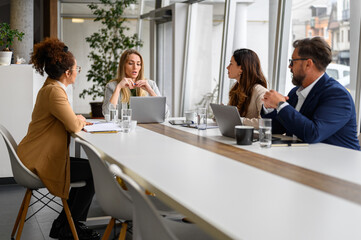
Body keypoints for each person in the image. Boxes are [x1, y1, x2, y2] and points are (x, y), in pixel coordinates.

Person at [16, 38, 100, 239]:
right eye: (76, 67)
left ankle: (65, 225)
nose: (78, 71)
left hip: (37, 155)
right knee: (96, 171)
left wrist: (76, 119)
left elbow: (69, 120)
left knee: (92, 169)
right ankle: (69, 226)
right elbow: (72, 124)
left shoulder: (51, 87)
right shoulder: (55, 92)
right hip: (39, 160)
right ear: (68, 73)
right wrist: (79, 119)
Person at [262, 37, 360, 150]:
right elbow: (276, 128)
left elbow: (313, 134)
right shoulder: (295, 93)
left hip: (336, 164)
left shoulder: (337, 95)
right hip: (302, 158)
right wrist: (270, 106)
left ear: (308, 64)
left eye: (293, 61)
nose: (290, 66)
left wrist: (281, 104)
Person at [102, 49, 169, 117]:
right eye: (131, 63)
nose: (135, 67)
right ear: (123, 65)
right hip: (123, 126)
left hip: (146, 126)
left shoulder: (150, 84)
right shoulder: (112, 86)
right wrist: (118, 88)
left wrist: (150, 91)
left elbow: (165, 114)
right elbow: (107, 114)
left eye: (138, 64)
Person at [227, 48, 268, 128]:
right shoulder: (237, 88)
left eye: (231, 64)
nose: (227, 67)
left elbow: (264, 122)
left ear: (241, 69)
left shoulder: (260, 92)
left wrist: (240, 120)